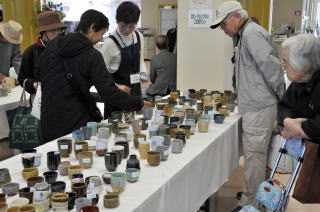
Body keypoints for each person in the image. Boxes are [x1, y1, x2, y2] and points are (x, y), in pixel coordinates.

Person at [210, 1, 285, 211]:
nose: (223, 30)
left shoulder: (251, 34)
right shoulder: (244, 34)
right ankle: (253, 198)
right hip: (255, 106)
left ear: (236, 17)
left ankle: (254, 204)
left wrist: (283, 101)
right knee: (254, 158)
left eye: (224, 24)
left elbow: (273, 69)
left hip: (259, 108)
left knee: (255, 160)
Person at [40, 9, 147, 142]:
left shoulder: (52, 46)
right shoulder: (92, 55)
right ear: (92, 28)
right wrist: (138, 103)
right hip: (75, 121)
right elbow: (109, 92)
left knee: (54, 159)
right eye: (101, 34)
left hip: (48, 119)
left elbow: (61, 84)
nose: (102, 38)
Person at [101, 1, 147, 117]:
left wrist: (144, 76)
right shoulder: (109, 43)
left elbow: (140, 60)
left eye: (131, 26)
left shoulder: (138, 36)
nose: (127, 30)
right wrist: (116, 86)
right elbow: (101, 73)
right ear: (117, 21)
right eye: (123, 25)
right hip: (117, 94)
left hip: (135, 91)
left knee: (137, 126)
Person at [278, 34, 320, 142]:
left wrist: (299, 129)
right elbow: (284, 106)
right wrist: (288, 122)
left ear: (304, 64)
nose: (283, 66)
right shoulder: (299, 80)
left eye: (285, 61)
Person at [18, 11, 67, 95]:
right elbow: (22, 79)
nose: (57, 34)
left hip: (66, 98)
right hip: (41, 99)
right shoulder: (31, 52)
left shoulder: (67, 48)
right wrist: (34, 84)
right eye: (53, 31)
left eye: (59, 30)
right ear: (43, 33)